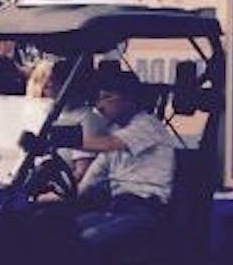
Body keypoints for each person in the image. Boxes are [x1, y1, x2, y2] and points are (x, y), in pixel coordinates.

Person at [72, 68, 175, 247]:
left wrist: (60, 140)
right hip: (116, 208)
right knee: (62, 232)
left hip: (146, 209)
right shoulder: (116, 135)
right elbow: (90, 179)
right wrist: (57, 195)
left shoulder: (148, 126)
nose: (99, 105)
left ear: (128, 99)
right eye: (99, 98)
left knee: (89, 239)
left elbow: (108, 144)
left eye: (107, 97)